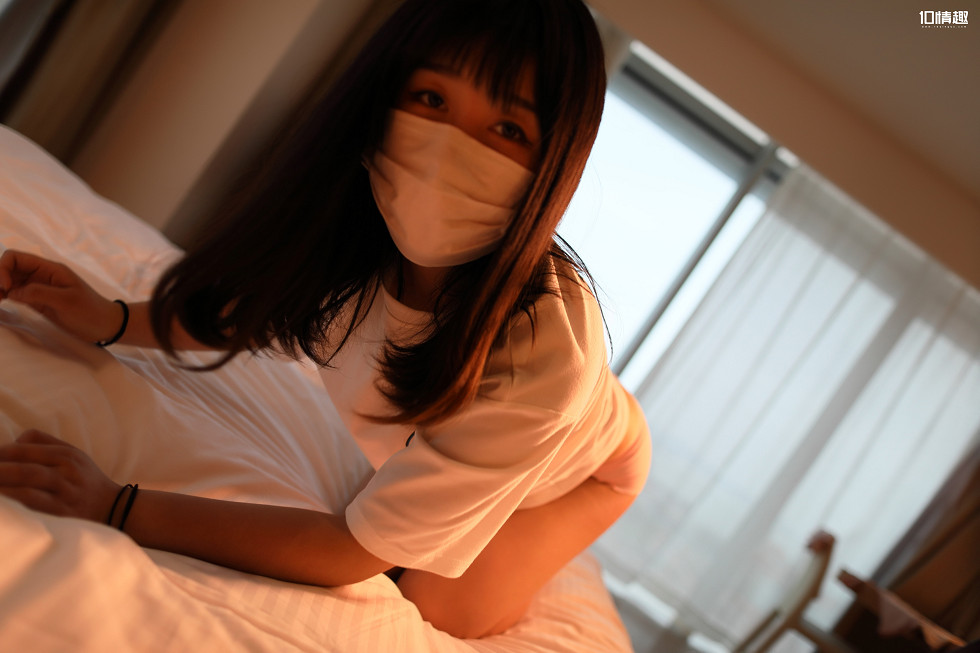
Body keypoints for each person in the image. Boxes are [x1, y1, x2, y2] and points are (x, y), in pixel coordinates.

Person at [0, 0, 650, 639]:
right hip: (528, 410)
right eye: (431, 99)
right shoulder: (353, 220)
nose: (450, 150)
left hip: (596, 467)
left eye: (508, 130)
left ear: (553, 163)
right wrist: (110, 318)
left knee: (432, 603)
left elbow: (351, 549)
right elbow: (243, 311)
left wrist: (119, 505)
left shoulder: (543, 352)